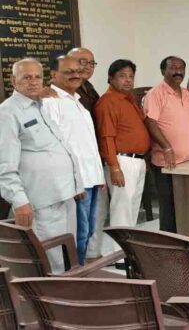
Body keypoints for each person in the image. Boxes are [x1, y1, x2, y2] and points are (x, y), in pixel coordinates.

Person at [0, 59, 78, 273]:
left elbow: (60, 147)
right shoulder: (7, 113)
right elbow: (4, 164)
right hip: (41, 202)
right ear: (13, 81)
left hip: (64, 195)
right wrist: (19, 201)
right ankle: (54, 293)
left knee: (68, 254)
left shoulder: (40, 106)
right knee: (50, 261)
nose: (34, 82)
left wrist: (76, 184)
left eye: (37, 77)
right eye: (27, 77)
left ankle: (69, 290)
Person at [43, 56, 105, 265]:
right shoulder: (50, 103)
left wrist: (98, 174)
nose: (75, 75)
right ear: (53, 74)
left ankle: (80, 270)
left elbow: (87, 143)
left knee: (87, 231)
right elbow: (55, 146)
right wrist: (74, 181)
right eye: (68, 72)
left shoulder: (77, 101)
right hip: (76, 182)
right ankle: (75, 275)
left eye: (77, 71)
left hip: (91, 178)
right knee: (78, 233)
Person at [94, 59, 150, 253]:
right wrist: (114, 167)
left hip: (136, 160)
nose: (128, 80)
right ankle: (117, 255)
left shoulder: (128, 99)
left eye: (131, 76)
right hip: (122, 161)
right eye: (122, 76)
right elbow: (106, 137)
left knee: (131, 209)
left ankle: (128, 252)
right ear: (110, 78)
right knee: (121, 210)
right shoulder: (108, 101)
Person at [143, 56, 189, 233]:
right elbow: (150, 122)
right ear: (163, 71)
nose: (178, 71)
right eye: (173, 68)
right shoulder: (155, 94)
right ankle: (168, 245)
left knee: (186, 208)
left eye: (181, 68)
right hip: (168, 163)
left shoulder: (186, 93)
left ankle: (185, 242)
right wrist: (167, 147)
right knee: (169, 208)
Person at [67, 47, 108, 262]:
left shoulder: (88, 88)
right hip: (75, 167)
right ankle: (80, 262)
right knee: (79, 219)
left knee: (94, 214)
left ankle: (91, 256)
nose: (88, 67)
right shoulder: (58, 94)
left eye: (92, 63)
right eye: (82, 62)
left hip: (94, 161)